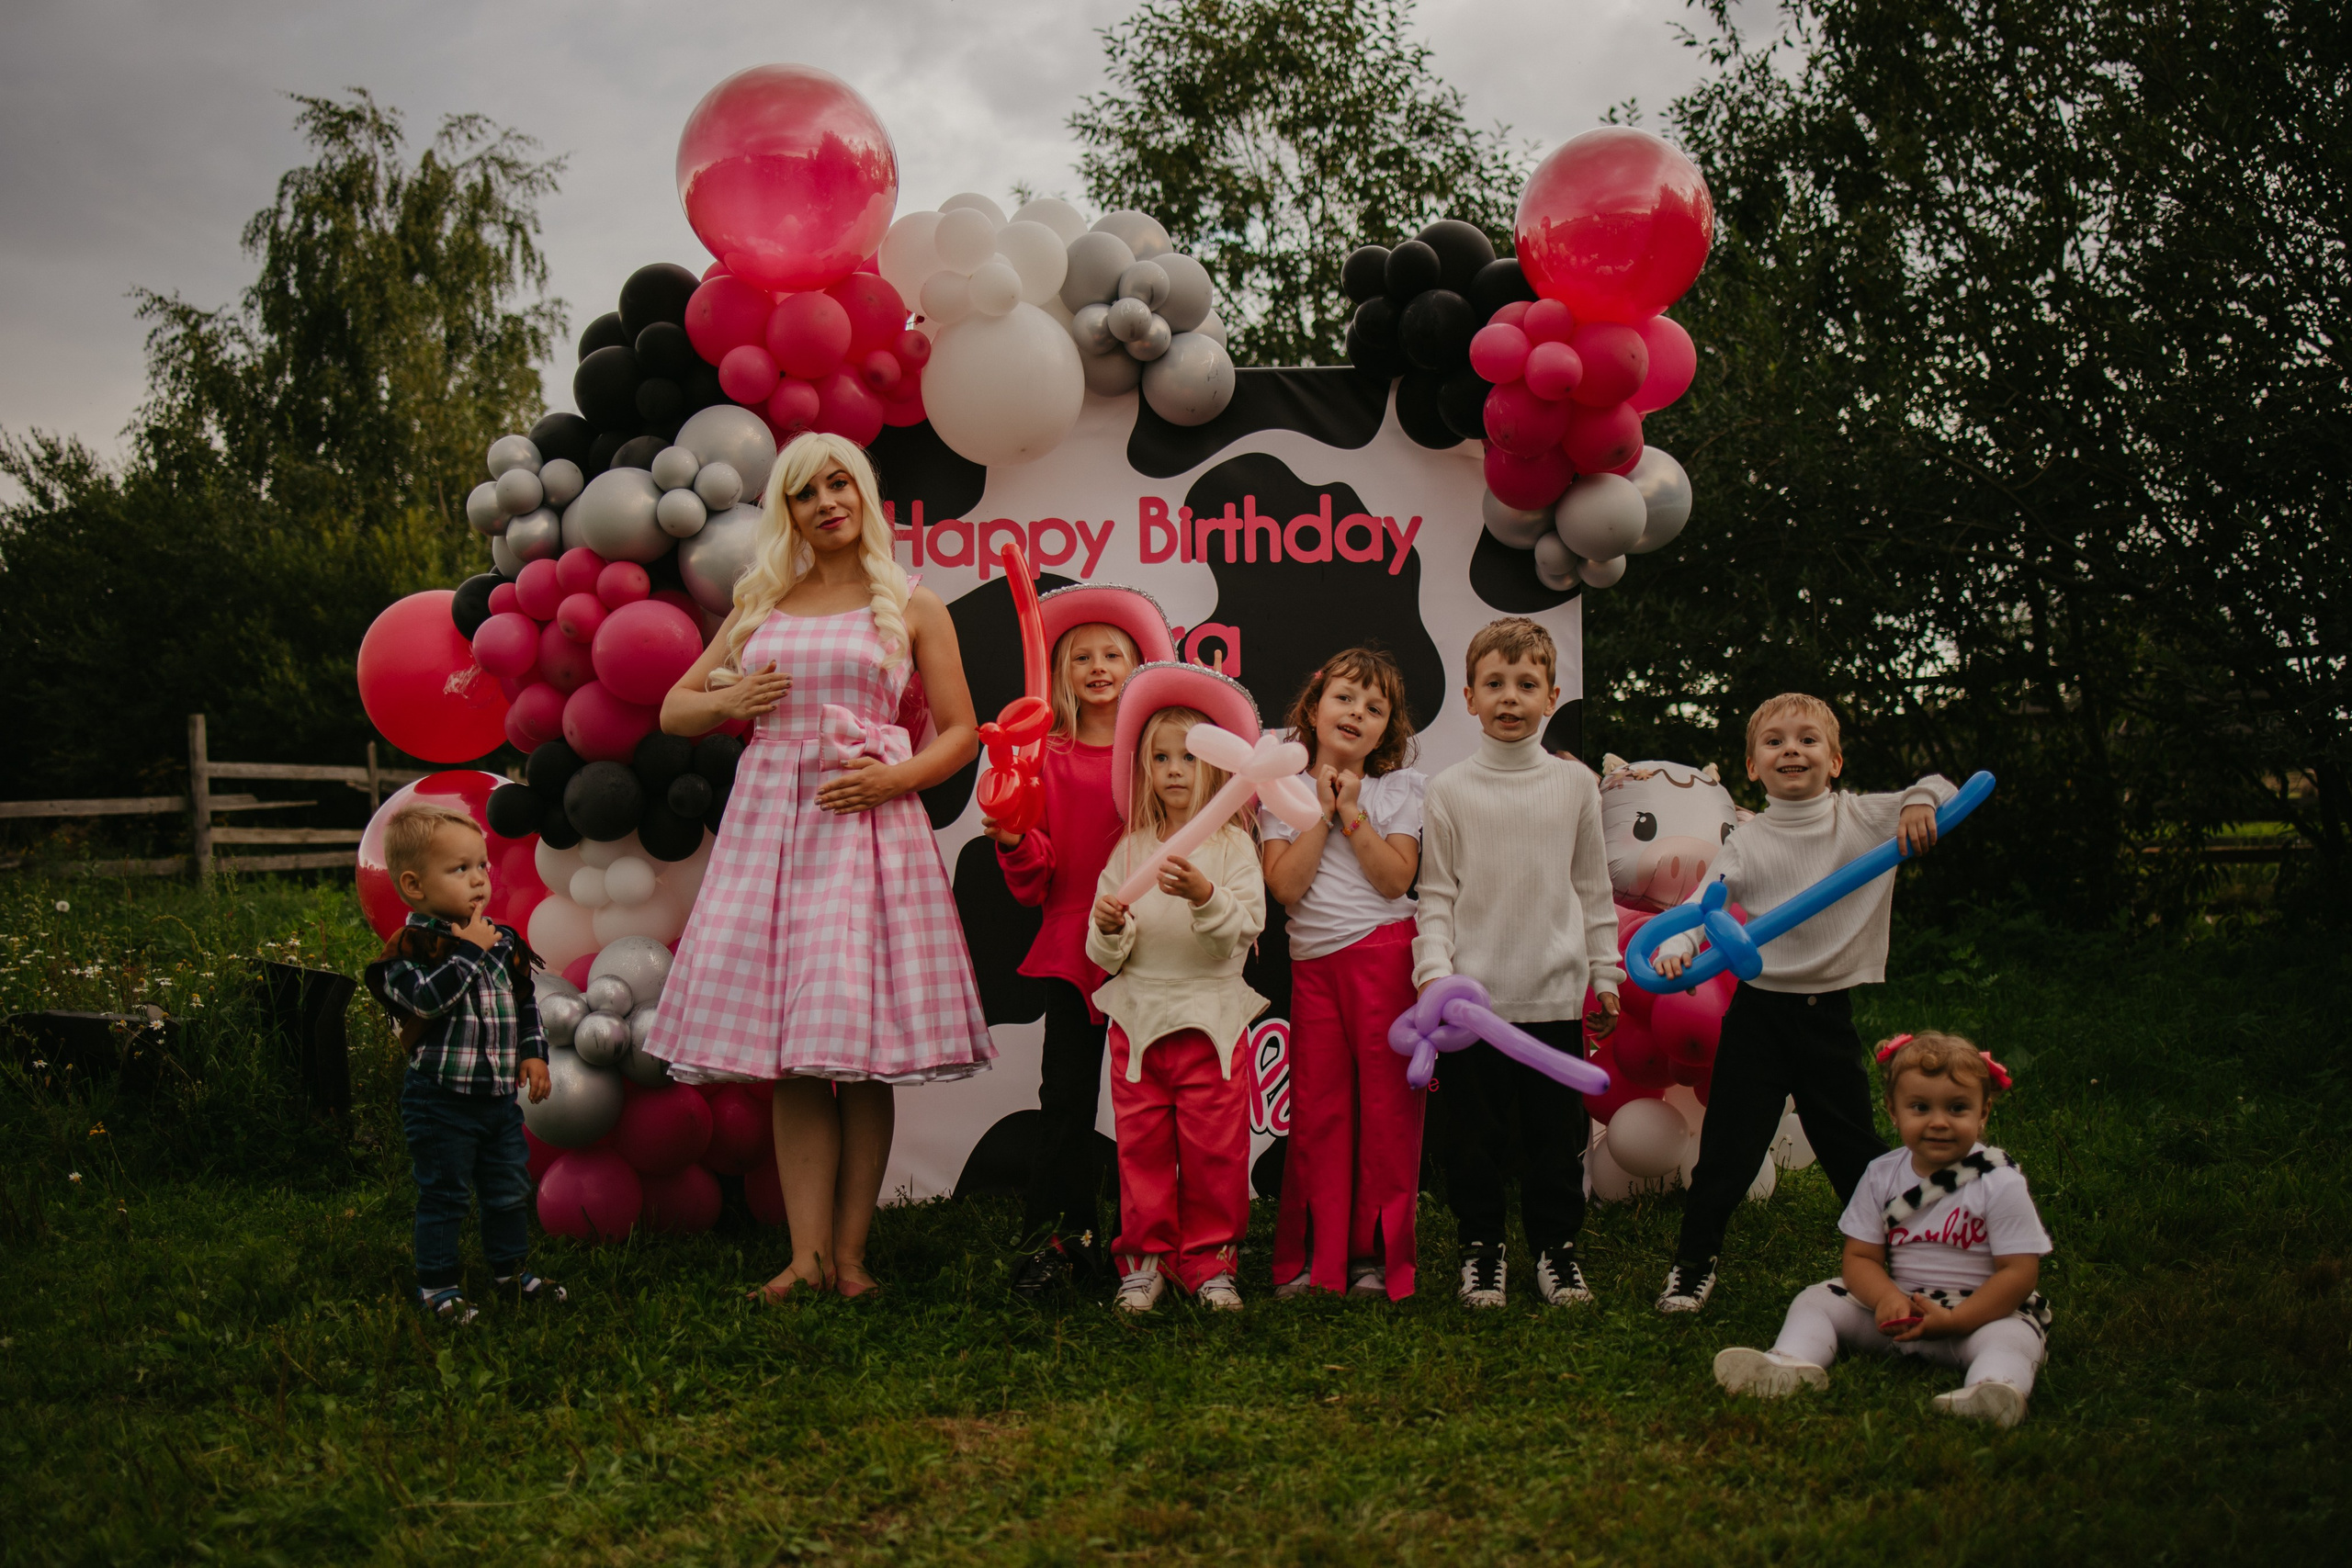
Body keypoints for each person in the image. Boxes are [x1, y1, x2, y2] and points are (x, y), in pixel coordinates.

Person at [649, 432, 995, 1303]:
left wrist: (894, 778)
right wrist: (730, 698)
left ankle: (850, 1258)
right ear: (788, 511)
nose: (827, 502)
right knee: (797, 1056)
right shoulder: (760, 601)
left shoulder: (912, 602)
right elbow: (675, 710)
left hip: (870, 826)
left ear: (863, 494)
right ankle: (803, 1259)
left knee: (861, 1051)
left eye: (840, 484)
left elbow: (962, 731)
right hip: (770, 831)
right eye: (806, 492)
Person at [1652, 694, 1957, 1314]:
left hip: (1827, 1017)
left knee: (1853, 1150)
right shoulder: (1747, 840)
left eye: (1808, 740)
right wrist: (1678, 946)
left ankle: (1908, 1259)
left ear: (1835, 761)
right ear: (1752, 767)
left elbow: (1943, 786)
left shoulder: (1860, 818)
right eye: (1775, 742)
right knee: (1728, 1151)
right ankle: (1693, 1264)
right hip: (1759, 1016)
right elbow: (1705, 905)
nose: (1792, 749)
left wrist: (1921, 801)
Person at [1412, 617, 1622, 1309]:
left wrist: (1606, 973)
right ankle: (1482, 1249)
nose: (1510, 697)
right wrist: (1434, 977)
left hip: (1553, 999)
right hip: (1472, 1010)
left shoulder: (1576, 786)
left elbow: (1592, 888)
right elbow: (1436, 896)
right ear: (1469, 697)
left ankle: (1556, 1251)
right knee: (1473, 1140)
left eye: (1526, 684)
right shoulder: (1449, 789)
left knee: (1554, 1139)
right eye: (1495, 683)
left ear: (1552, 696)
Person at [985, 584, 1178, 1300]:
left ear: (1138, 665)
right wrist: (1012, 838)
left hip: (1152, 954)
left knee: (1149, 1108)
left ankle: (1146, 1249)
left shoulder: (1158, 758)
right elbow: (1034, 880)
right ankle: (1056, 1244)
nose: (1098, 667)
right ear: (1059, 672)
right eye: (1082, 656)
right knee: (1065, 1101)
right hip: (1073, 952)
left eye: (1112, 654)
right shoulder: (1045, 757)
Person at [1713, 1031, 2051, 1427]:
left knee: (2015, 1336)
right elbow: (1860, 1258)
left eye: (1958, 1108)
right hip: (1901, 1312)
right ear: (1893, 1110)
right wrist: (1886, 1297)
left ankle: (1993, 1386)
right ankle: (1792, 1360)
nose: (1938, 1122)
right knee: (1816, 1300)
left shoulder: (2000, 1182)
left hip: (1978, 1316)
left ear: (1983, 1112)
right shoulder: (1881, 1174)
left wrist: (1957, 1320)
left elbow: (2018, 1273)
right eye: (1920, 1107)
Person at [1085, 663, 1270, 1314]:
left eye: (1188, 757)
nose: (1173, 770)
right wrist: (1108, 927)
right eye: (1160, 758)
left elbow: (1239, 934)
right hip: (1138, 1024)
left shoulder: (1233, 848)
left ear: (1216, 768)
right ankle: (1145, 1261)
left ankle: (1211, 1262)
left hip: (1211, 1022)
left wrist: (1204, 894)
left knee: (1215, 1150)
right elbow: (1104, 951)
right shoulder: (1130, 850)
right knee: (1142, 1149)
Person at [1262, 648, 1428, 1301]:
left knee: (1387, 1112)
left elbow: (1395, 881)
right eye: (1345, 697)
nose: (1357, 712)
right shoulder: (1279, 789)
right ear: (1313, 707)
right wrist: (1321, 812)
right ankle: (1315, 1256)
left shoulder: (1399, 790)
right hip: (1314, 967)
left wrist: (1353, 810)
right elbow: (1285, 887)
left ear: (1387, 730)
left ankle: (1375, 1257)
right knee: (1318, 1110)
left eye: (1375, 707)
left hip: (1386, 958)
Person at [364, 802, 561, 1325]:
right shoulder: (409, 950)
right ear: (413, 885)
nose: (478, 880)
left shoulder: (501, 941)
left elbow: (524, 1001)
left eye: (481, 866)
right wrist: (468, 952)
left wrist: (533, 1053)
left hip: (497, 1100)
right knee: (446, 1194)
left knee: (508, 1190)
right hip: (439, 1100)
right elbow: (427, 1001)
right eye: (459, 869)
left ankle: (509, 1273)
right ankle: (438, 1286)